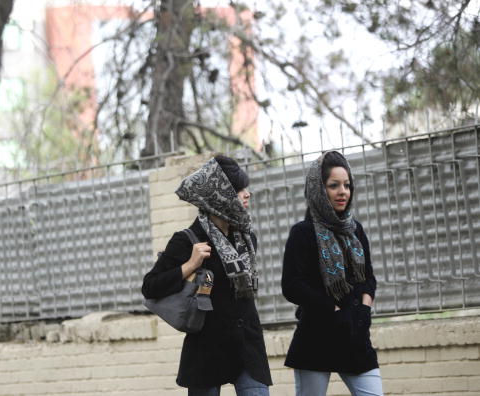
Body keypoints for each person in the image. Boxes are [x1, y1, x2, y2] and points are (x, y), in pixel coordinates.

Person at [142, 155, 272, 396]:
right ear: (218, 196)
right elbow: (150, 286)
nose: (247, 194)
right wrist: (189, 265)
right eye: (238, 189)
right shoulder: (187, 240)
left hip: (247, 346)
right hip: (207, 349)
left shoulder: (247, 239)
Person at [281, 151, 383, 396]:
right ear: (319, 189)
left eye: (347, 185)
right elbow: (292, 285)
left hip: (354, 334)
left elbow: (368, 277)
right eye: (334, 185)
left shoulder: (355, 230)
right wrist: (332, 309)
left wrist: (364, 308)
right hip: (316, 337)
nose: (343, 192)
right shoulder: (303, 233)